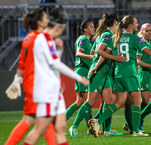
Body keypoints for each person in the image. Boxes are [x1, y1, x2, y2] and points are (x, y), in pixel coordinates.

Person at [89, 15, 151, 137]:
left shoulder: (116, 38)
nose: (137, 25)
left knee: (119, 102)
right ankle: (136, 131)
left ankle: (98, 121)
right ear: (130, 25)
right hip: (129, 73)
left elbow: (101, 52)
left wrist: (100, 65)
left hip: (118, 74)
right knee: (137, 101)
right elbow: (149, 52)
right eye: (135, 22)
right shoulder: (135, 39)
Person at [23, 10, 88, 145]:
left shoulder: (49, 40)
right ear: (58, 28)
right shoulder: (42, 39)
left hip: (53, 89)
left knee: (60, 128)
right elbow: (54, 63)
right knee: (41, 129)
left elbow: (52, 62)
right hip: (45, 91)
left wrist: (59, 50)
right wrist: (79, 77)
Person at [5, 9, 56, 145]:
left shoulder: (28, 38)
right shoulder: (42, 39)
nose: (48, 20)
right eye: (45, 18)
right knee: (34, 120)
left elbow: (22, 62)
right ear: (39, 22)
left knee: (42, 119)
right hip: (39, 85)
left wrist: (17, 80)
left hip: (30, 84)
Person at [69, 13, 125, 138]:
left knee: (109, 101)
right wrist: (97, 65)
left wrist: (111, 58)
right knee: (90, 101)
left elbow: (95, 51)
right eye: (118, 22)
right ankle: (74, 126)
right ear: (115, 23)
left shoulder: (102, 35)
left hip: (105, 73)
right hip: (98, 72)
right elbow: (100, 52)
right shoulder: (108, 35)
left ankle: (107, 129)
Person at [65, 20, 94, 135]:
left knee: (80, 101)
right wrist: (91, 57)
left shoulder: (86, 40)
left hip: (81, 71)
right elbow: (78, 53)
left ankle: (60, 123)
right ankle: (88, 128)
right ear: (85, 29)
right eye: (91, 27)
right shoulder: (83, 39)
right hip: (83, 72)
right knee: (88, 101)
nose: (94, 28)